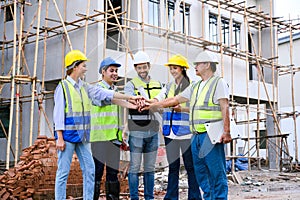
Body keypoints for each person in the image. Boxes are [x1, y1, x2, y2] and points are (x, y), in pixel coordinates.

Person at [53, 50, 142, 200]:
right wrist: (59, 137)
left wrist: (131, 98)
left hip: (83, 138)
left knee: (90, 170)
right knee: (63, 172)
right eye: (83, 65)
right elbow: (58, 114)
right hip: (68, 137)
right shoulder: (63, 87)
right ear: (75, 67)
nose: (86, 68)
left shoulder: (85, 87)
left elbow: (107, 95)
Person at [143, 51, 232, 200]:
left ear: (207, 65)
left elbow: (225, 107)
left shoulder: (218, 83)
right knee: (201, 173)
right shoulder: (196, 86)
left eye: (198, 63)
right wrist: (151, 104)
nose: (195, 66)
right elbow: (174, 99)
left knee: (216, 173)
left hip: (210, 135)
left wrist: (227, 131)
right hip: (196, 135)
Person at [148, 54, 201, 200]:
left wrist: (181, 109)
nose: (172, 71)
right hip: (170, 133)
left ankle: (195, 197)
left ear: (183, 69)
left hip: (186, 133)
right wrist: (149, 102)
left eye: (175, 68)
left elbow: (196, 108)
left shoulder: (192, 87)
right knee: (173, 167)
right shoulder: (169, 86)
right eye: (171, 68)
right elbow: (159, 98)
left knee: (191, 167)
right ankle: (171, 197)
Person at [90, 57, 137, 200]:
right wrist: (129, 100)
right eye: (111, 70)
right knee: (96, 173)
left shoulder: (115, 90)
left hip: (114, 139)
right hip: (99, 139)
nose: (115, 73)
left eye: (116, 71)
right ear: (103, 72)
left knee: (112, 173)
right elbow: (106, 99)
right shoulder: (97, 89)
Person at [124, 51, 162, 200]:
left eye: (144, 67)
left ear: (149, 66)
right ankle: (134, 198)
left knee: (150, 168)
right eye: (139, 68)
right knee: (134, 167)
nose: (142, 70)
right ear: (135, 68)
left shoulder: (157, 85)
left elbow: (161, 105)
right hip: (136, 131)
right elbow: (129, 102)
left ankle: (149, 197)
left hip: (152, 131)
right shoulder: (130, 85)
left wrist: (153, 104)